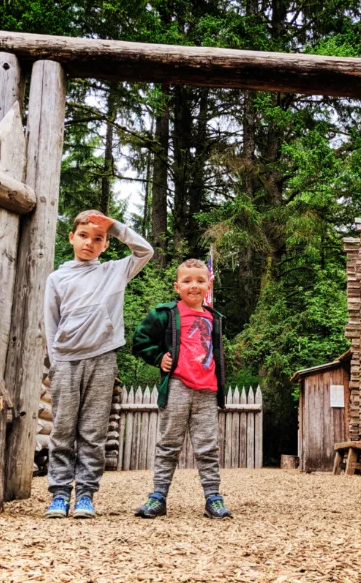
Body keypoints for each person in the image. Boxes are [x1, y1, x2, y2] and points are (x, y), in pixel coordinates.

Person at [43, 210, 153, 519]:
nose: (89, 243)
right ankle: (60, 494)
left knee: (93, 430)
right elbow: (50, 324)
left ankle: (86, 495)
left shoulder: (113, 272)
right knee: (63, 429)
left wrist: (115, 227)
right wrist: (55, 361)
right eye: (83, 236)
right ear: (71, 238)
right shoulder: (57, 278)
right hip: (66, 360)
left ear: (105, 245)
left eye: (97, 239)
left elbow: (146, 251)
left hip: (102, 358)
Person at [131, 258, 233, 520]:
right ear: (177, 286)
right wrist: (158, 357)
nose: (194, 285)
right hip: (177, 387)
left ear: (208, 284)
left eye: (200, 280)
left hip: (208, 391)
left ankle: (213, 497)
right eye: (187, 281)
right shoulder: (166, 313)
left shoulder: (214, 317)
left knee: (208, 447)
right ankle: (158, 497)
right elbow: (140, 340)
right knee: (168, 444)